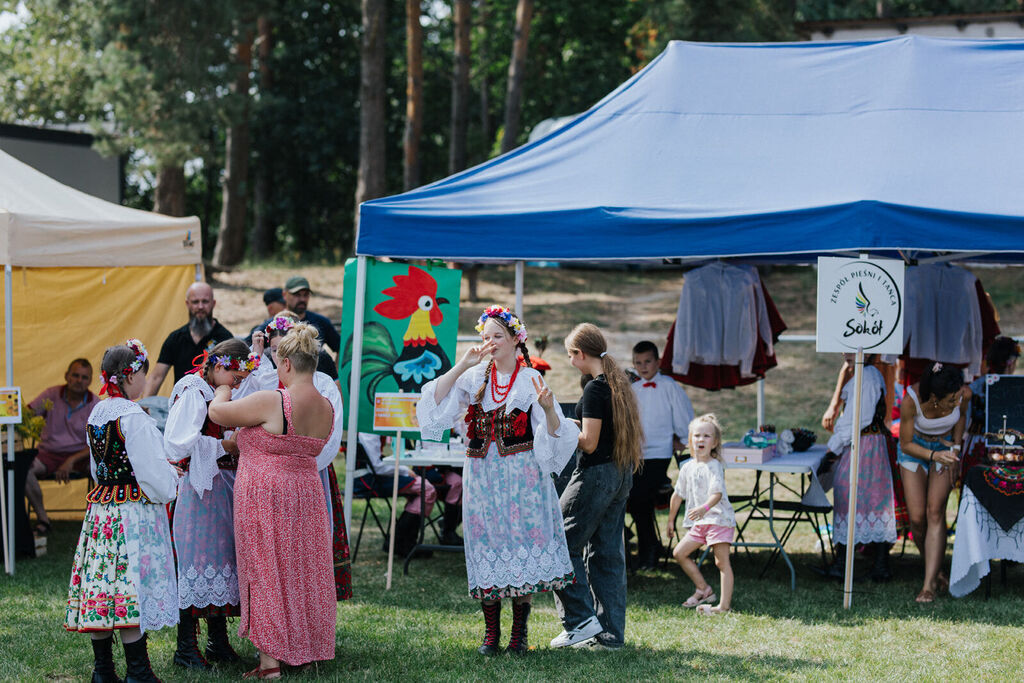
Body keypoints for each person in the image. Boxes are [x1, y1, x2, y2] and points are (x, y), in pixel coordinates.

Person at [417, 306, 578, 656]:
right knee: (487, 543)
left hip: (522, 477)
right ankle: (491, 633)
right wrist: (462, 364)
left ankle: (518, 632)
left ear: (515, 339)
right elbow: (435, 401)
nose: (489, 342)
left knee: (519, 544)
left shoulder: (530, 380)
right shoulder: (474, 377)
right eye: (485, 336)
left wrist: (550, 409)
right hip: (483, 475)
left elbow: (557, 435)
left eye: (497, 336)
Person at [208, 323, 337, 677]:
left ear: (286, 365)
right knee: (302, 571)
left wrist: (222, 389)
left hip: (266, 495)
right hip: (307, 494)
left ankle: (270, 663)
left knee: (266, 571)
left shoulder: (274, 400)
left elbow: (218, 414)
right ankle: (304, 651)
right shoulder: (326, 406)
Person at [65, 340, 180, 683]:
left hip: (101, 514)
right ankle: (139, 673)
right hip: (133, 515)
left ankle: (103, 672)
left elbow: (96, 471)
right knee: (131, 587)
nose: (145, 381)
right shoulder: (135, 418)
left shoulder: (97, 414)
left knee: (105, 586)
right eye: (143, 374)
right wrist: (172, 481)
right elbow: (152, 475)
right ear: (130, 377)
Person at [164, 338, 261, 670]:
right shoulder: (193, 389)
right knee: (197, 559)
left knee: (219, 560)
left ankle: (217, 640)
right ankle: (185, 647)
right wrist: (224, 444)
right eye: (235, 377)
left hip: (219, 487)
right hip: (199, 490)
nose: (236, 384)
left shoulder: (211, 389)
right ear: (219, 366)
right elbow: (178, 441)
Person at [246, 313, 351, 600]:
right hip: (270, 479)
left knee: (309, 548)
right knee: (274, 548)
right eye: (275, 352)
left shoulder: (324, 383)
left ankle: (309, 610)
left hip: (310, 474)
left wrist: (300, 464)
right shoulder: (264, 380)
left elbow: (331, 434)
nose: (281, 361)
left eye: (285, 353)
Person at [552, 323, 643, 651]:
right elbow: (603, 433)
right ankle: (610, 636)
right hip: (620, 474)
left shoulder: (594, 389)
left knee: (558, 542)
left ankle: (579, 620)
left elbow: (589, 444)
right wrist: (578, 424)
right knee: (607, 555)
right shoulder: (617, 384)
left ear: (581, 353)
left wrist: (563, 430)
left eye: (570, 355)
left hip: (595, 475)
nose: (570, 361)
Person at [820, 354, 897, 582]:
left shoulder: (868, 377)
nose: (845, 354)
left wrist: (833, 448)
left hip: (866, 444)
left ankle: (870, 565)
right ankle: (859, 563)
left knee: (856, 496)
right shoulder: (864, 375)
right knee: (862, 498)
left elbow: (859, 419)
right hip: (864, 442)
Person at [897, 362, 968, 603]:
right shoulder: (911, 400)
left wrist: (956, 449)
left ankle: (928, 585)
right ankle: (935, 570)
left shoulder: (962, 393)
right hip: (914, 450)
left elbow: (962, 417)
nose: (956, 402)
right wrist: (932, 455)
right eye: (951, 400)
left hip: (945, 449)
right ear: (935, 398)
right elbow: (905, 443)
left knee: (935, 512)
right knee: (917, 519)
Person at [629, 340, 693, 569]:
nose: (643, 367)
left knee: (639, 498)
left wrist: (681, 439)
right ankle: (644, 546)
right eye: (638, 363)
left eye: (647, 362)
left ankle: (649, 549)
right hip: (635, 454)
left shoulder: (669, 386)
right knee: (630, 498)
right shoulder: (632, 390)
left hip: (660, 453)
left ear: (657, 362)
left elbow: (685, 419)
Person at [666, 413, 735, 615]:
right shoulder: (686, 467)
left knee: (721, 562)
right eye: (696, 436)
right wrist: (671, 520)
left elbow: (717, 493)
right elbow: (677, 495)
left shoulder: (714, 466)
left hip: (718, 519)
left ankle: (723, 606)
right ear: (690, 441)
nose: (700, 440)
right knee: (679, 553)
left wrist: (704, 508)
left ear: (714, 443)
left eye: (706, 436)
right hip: (700, 523)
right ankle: (703, 589)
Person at [24, 358, 101, 535]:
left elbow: (99, 442)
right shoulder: (51, 395)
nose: (79, 380)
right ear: (66, 376)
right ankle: (43, 520)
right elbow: (26, 416)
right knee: (23, 470)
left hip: (81, 456)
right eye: (75, 375)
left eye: (84, 377)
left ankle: (99, 520)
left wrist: (71, 461)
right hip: (49, 453)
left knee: (104, 469)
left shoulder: (95, 404)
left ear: (90, 381)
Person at [353, 432, 445, 556]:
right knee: (426, 489)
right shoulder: (369, 433)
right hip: (368, 480)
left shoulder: (368, 430)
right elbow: (377, 467)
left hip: (370, 477)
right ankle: (402, 542)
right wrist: (405, 470)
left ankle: (401, 541)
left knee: (423, 488)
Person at [145, 282, 234, 396]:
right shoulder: (175, 338)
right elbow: (156, 377)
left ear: (213, 303)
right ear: (187, 304)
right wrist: (145, 406)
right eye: (195, 302)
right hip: (180, 405)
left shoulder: (225, 339)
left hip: (213, 406)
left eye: (205, 301)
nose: (200, 306)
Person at [965, 336, 1020, 474]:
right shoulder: (1016, 388)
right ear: (1011, 362)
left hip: (977, 443)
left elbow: (965, 419)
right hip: (1008, 447)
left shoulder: (975, 387)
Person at [281, 276, 341, 354]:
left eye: (306, 295)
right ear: (284, 295)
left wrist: (335, 366)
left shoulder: (321, 322)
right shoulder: (273, 325)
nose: (302, 299)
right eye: (297, 295)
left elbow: (341, 348)